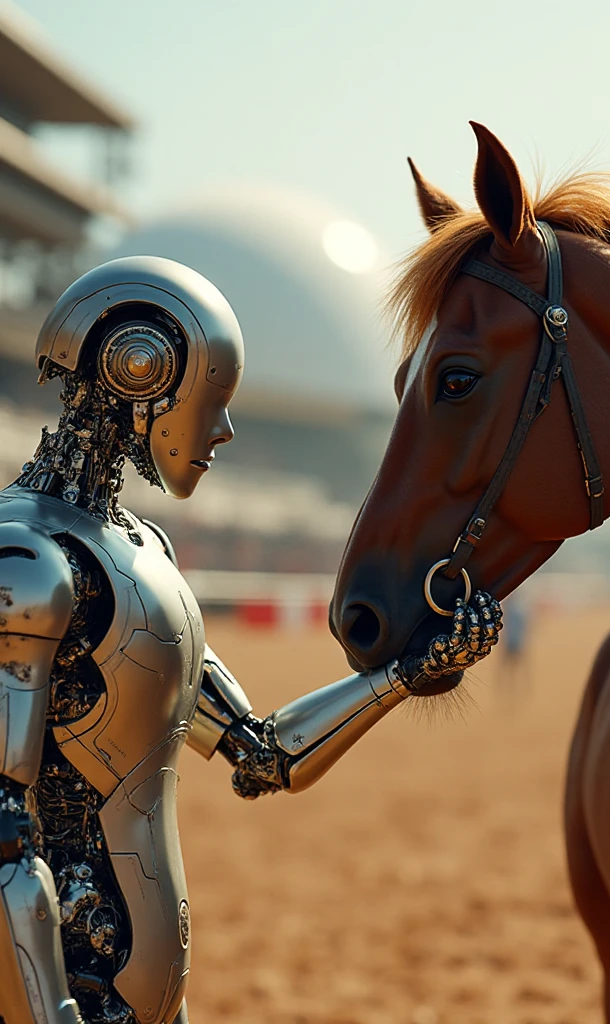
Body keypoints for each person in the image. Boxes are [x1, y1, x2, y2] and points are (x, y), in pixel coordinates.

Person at [0, 257, 422, 1024]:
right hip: (59, 991)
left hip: (149, 987)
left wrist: (409, 672)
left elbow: (262, 756)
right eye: (214, 399)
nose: (224, 429)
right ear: (141, 371)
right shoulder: (25, 561)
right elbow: (1, 831)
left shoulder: (142, 551)